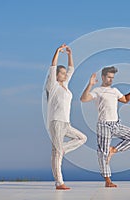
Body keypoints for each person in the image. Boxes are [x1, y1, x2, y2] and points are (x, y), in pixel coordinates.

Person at [80, 66, 130, 187]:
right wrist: (90, 84)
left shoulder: (115, 91)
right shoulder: (97, 90)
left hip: (116, 124)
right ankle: (108, 181)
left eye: (112, 78)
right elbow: (83, 99)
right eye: (108, 77)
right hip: (104, 125)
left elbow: (125, 100)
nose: (110, 79)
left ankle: (114, 149)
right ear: (103, 77)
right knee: (103, 152)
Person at [46, 44, 87, 190]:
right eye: (61, 73)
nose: (64, 75)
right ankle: (59, 182)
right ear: (56, 75)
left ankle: (63, 149)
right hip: (56, 122)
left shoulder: (65, 85)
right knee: (56, 153)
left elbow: (71, 70)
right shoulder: (53, 85)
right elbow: (52, 66)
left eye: (64, 73)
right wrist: (57, 51)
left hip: (66, 123)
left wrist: (69, 54)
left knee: (82, 138)